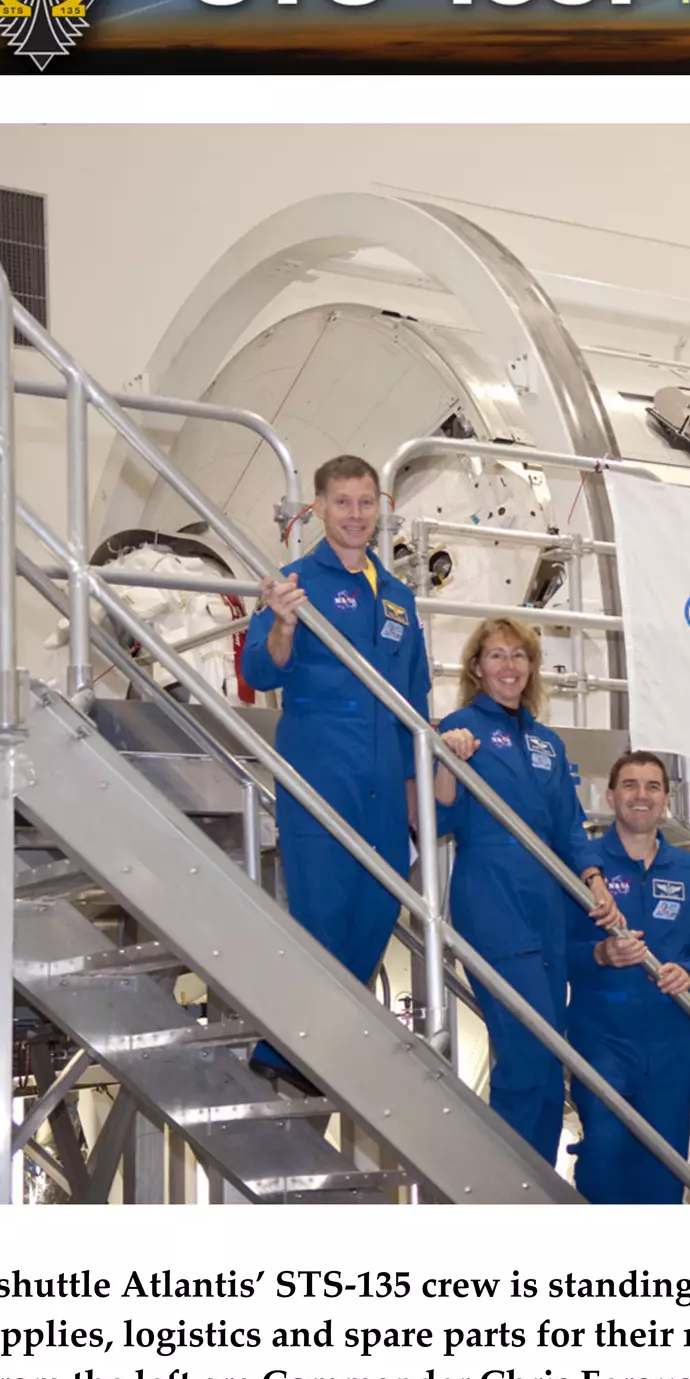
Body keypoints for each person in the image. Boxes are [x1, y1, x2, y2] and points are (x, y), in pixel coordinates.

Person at [237, 454, 427, 1093]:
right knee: (323, 906)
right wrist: (284, 625)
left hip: (383, 766)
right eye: (342, 503)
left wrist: (413, 790)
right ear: (317, 508)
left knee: (380, 900)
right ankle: (293, 1043)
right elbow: (262, 671)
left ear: (382, 508)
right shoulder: (295, 582)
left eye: (365, 502)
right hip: (320, 757)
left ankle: (318, 1039)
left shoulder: (398, 597)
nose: (355, 515)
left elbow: (415, 699)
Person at [434, 618, 622, 1164]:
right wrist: (447, 756)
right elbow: (439, 816)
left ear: (533, 668)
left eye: (519, 656)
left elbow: (568, 826)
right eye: (496, 656)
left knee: (549, 1053)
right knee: (524, 1054)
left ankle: (535, 1183)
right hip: (493, 899)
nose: (509, 666)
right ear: (475, 667)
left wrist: (592, 878)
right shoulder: (461, 725)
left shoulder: (547, 741)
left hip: (550, 909)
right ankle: (506, 1188)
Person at [566, 751, 690, 1204]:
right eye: (631, 785)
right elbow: (555, 951)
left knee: (664, 1165)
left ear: (666, 800)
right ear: (611, 796)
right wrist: (600, 953)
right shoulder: (585, 866)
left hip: (670, 1044)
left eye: (653, 786)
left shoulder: (687, 870)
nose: (642, 795)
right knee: (605, 1152)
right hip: (603, 1038)